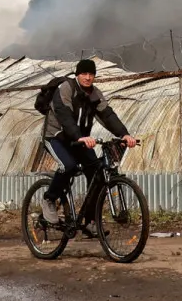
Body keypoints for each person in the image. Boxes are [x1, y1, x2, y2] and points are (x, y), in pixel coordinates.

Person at [40, 59, 138, 224]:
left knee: (97, 173)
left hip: (79, 139)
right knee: (68, 166)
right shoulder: (66, 89)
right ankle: (49, 199)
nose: (87, 77)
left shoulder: (95, 94)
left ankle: (90, 221)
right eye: (84, 74)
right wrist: (79, 136)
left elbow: (107, 115)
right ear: (77, 75)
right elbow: (64, 116)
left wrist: (124, 134)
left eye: (91, 74)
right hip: (56, 136)